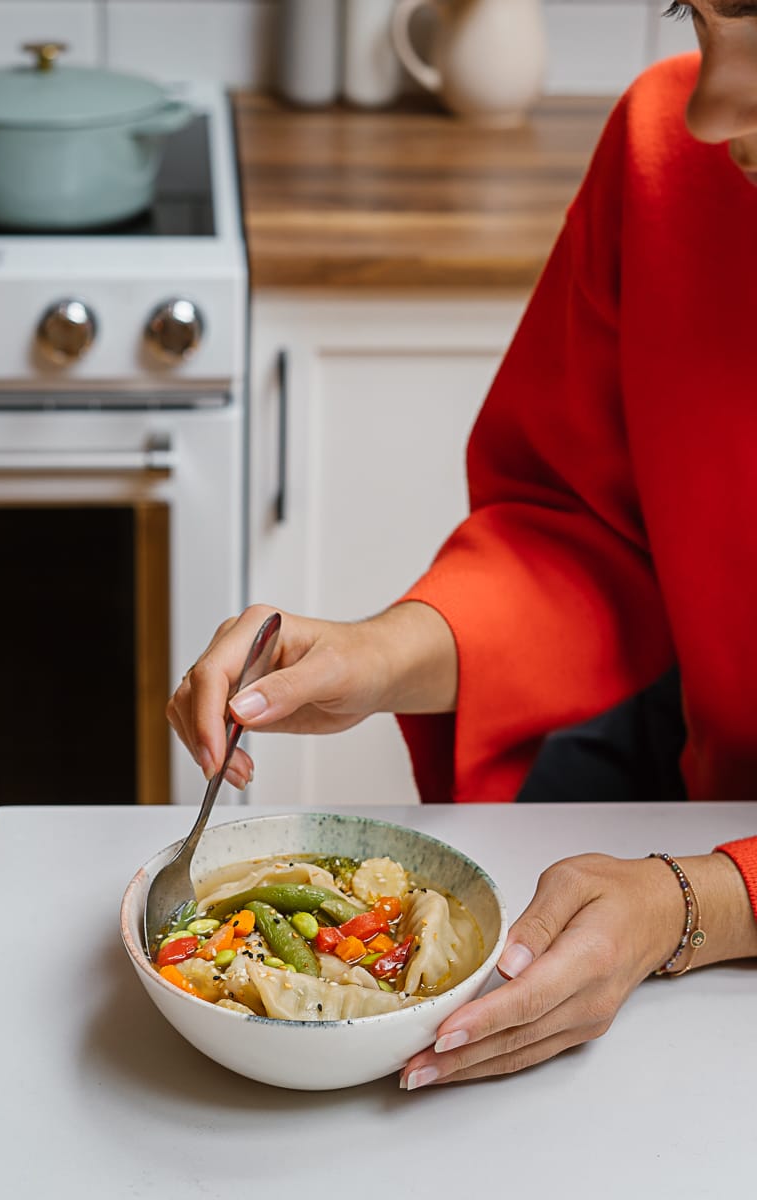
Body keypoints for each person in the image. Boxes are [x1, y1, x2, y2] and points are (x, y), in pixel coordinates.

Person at [166, 0, 757, 1090]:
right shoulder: (666, 147)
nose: (713, 103)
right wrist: (379, 652)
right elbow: (591, 534)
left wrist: (704, 903)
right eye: (711, 12)